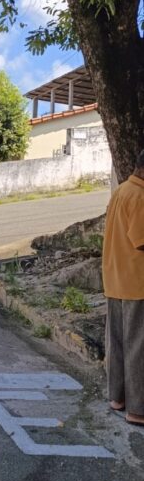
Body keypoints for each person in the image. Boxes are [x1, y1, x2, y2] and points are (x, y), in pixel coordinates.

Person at [102, 149, 144, 426]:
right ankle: (138, 409)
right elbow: (140, 240)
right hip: (137, 281)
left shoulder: (121, 191)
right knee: (138, 346)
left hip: (114, 277)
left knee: (115, 342)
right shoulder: (141, 197)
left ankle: (117, 398)